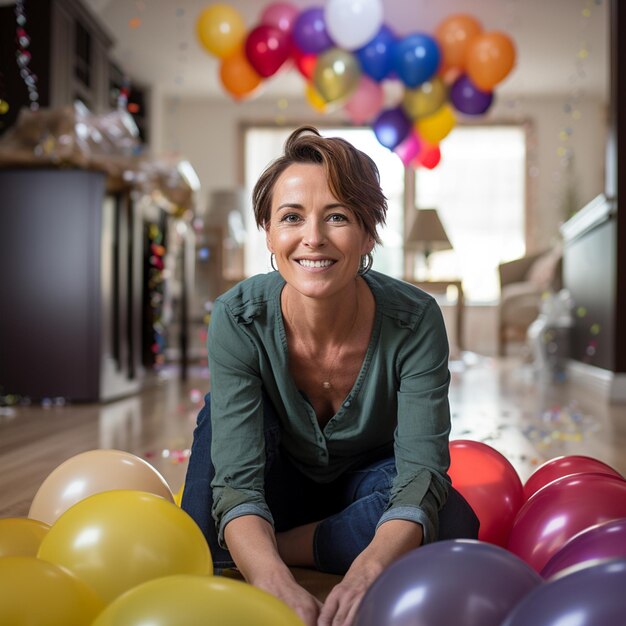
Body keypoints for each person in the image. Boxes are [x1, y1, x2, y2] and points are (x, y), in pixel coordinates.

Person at [182, 126, 478, 626]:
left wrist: (368, 569)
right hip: (270, 473)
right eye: (291, 217)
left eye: (337, 217)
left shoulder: (416, 318)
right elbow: (235, 482)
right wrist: (272, 582)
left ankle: (278, 542)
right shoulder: (237, 316)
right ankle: (287, 547)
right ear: (270, 233)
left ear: (368, 234)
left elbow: (420, 473)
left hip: (364, 484)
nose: (313, 238)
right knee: (202, 521)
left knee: (451, 520)